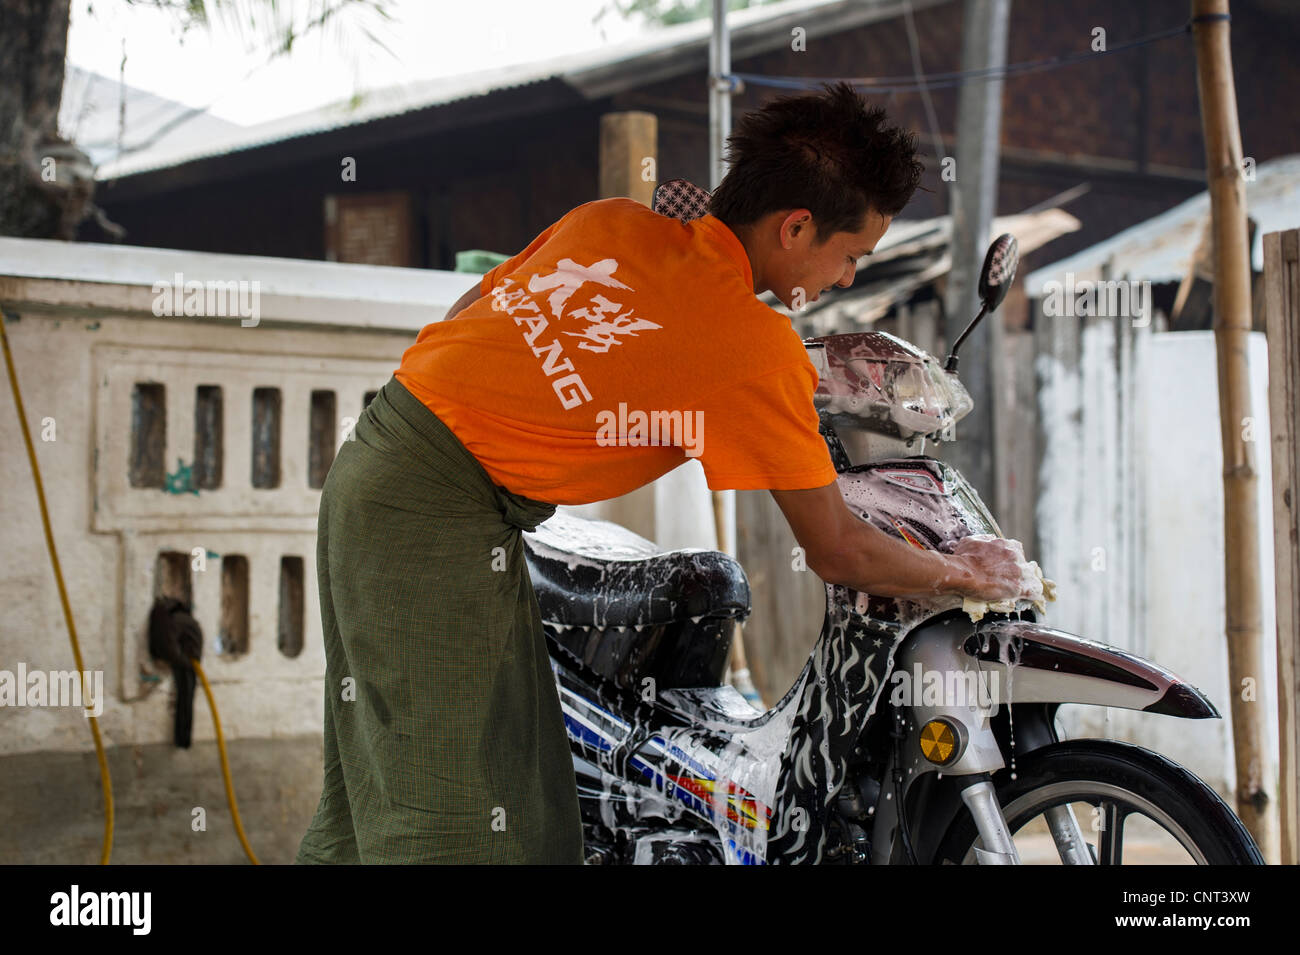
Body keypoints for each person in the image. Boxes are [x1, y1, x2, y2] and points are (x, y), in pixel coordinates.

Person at [295, 81, 1026, 865]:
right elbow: (839, 549)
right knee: (449, 812)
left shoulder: (609, 222)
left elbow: (471, 310)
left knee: (425, 782)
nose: (848, 278)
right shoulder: (752, 343)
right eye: (850, 256)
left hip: (381, 456)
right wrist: (959, 571)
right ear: (796, 226)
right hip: (432, 516)